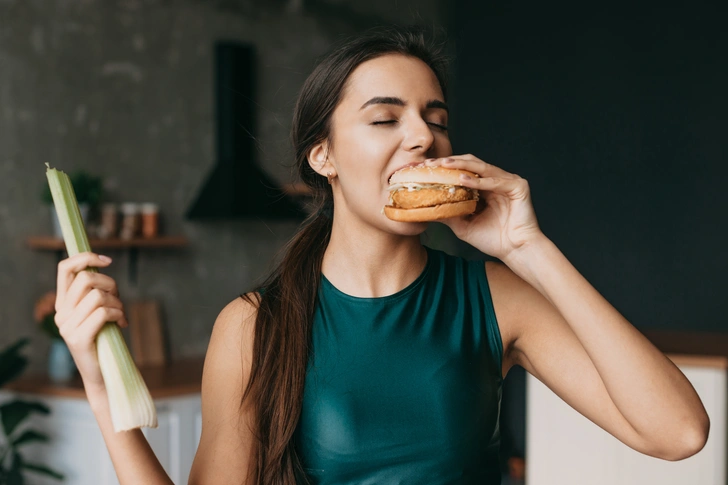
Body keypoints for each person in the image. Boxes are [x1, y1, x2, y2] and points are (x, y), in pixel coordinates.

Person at [52, 26, 709, 485]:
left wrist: (528, 247)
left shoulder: (495, 297)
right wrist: (98, 378)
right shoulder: (255, 325)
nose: (423, 135)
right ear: (324, 155)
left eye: (436, 117)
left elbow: (679, 431)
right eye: (385, 117)